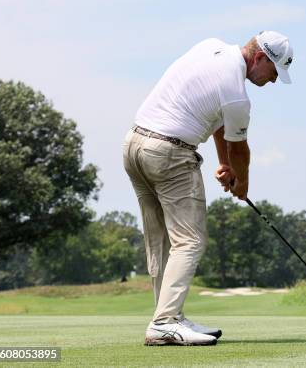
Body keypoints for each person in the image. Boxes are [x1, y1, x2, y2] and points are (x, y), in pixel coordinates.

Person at [122, 31, 293, 346]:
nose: (272, 81)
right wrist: (241, 183)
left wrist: (225, 165)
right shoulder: (238, 96)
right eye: (273, 71)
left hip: (135, 144)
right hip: (168, 153)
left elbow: (217, 123)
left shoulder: (210, 47)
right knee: (190, 240)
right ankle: (164, 322)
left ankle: (169, 316)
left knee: (161, 240)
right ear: (260, 58)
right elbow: (241, 150)